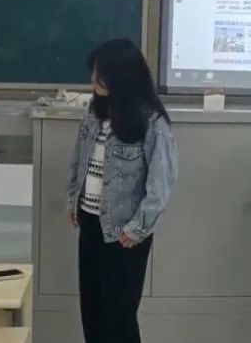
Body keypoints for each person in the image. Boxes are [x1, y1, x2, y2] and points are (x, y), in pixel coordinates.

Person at [65, 38, 177, 343]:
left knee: (119, 317)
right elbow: (79, 157)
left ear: (120, 77)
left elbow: (161, 182)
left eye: (99, 74)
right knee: (92, 311)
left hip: (125, 231)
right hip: (90, 222)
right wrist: (73, 199)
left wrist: (139, 227)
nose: (93, 80)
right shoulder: (95, 111)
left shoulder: (151, 121)